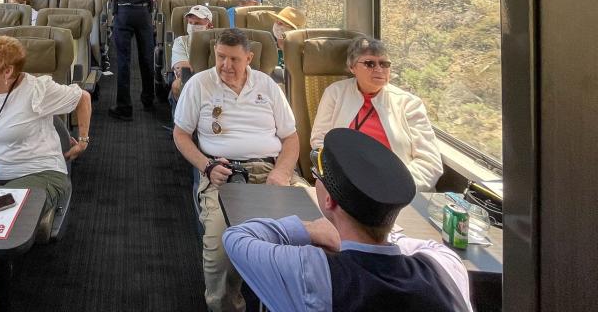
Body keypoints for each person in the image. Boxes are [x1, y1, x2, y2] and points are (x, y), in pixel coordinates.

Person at [223, 128, 472, 312]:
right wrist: (373, 235)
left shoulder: (313, 274)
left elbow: (236, 238)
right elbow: (410, 244)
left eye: (316, 177)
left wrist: (310, 229)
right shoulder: (445, 266)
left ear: (329, 200)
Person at [173, 29, 301, 312]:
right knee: (220, 250)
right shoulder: (200, 85)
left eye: (234, 59)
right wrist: (206, 166)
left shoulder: (267, 86)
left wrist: (281, 172)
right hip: (224, 172)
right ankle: (224, 306)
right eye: (221, 57)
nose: (226, 66)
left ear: (249, 58)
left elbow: (291, 139)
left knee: (308, 238)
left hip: (272, 172)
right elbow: (181, 135)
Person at [0, 36, 92, 312]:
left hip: (39, 171)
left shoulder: (38, 90)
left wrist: (83, 140)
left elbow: (83, 96)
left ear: (8, 71)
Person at [310, 36, 442, 191]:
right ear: (352, 67)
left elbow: (429, 162)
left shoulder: (409, 104)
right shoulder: (335, 93)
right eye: (369, 63)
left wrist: (393, 187)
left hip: (397, 188)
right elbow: (320, 142)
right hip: (346, 184)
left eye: (384, 64)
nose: (379, 69)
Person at [104, 0, 156, 120]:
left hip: (124, 11)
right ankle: (148, 99)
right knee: (146, 56)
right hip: (143, 12)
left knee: (124, 59)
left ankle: (124, 107)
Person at [167, 4, 215, 104]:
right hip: (190, 81)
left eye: (197, 23)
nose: (192, 26)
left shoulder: (218, 43)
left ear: (209, 26)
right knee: (177, 85)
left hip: (214, 83)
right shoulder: (181, 41)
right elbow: (183, 69)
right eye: (190, 23)